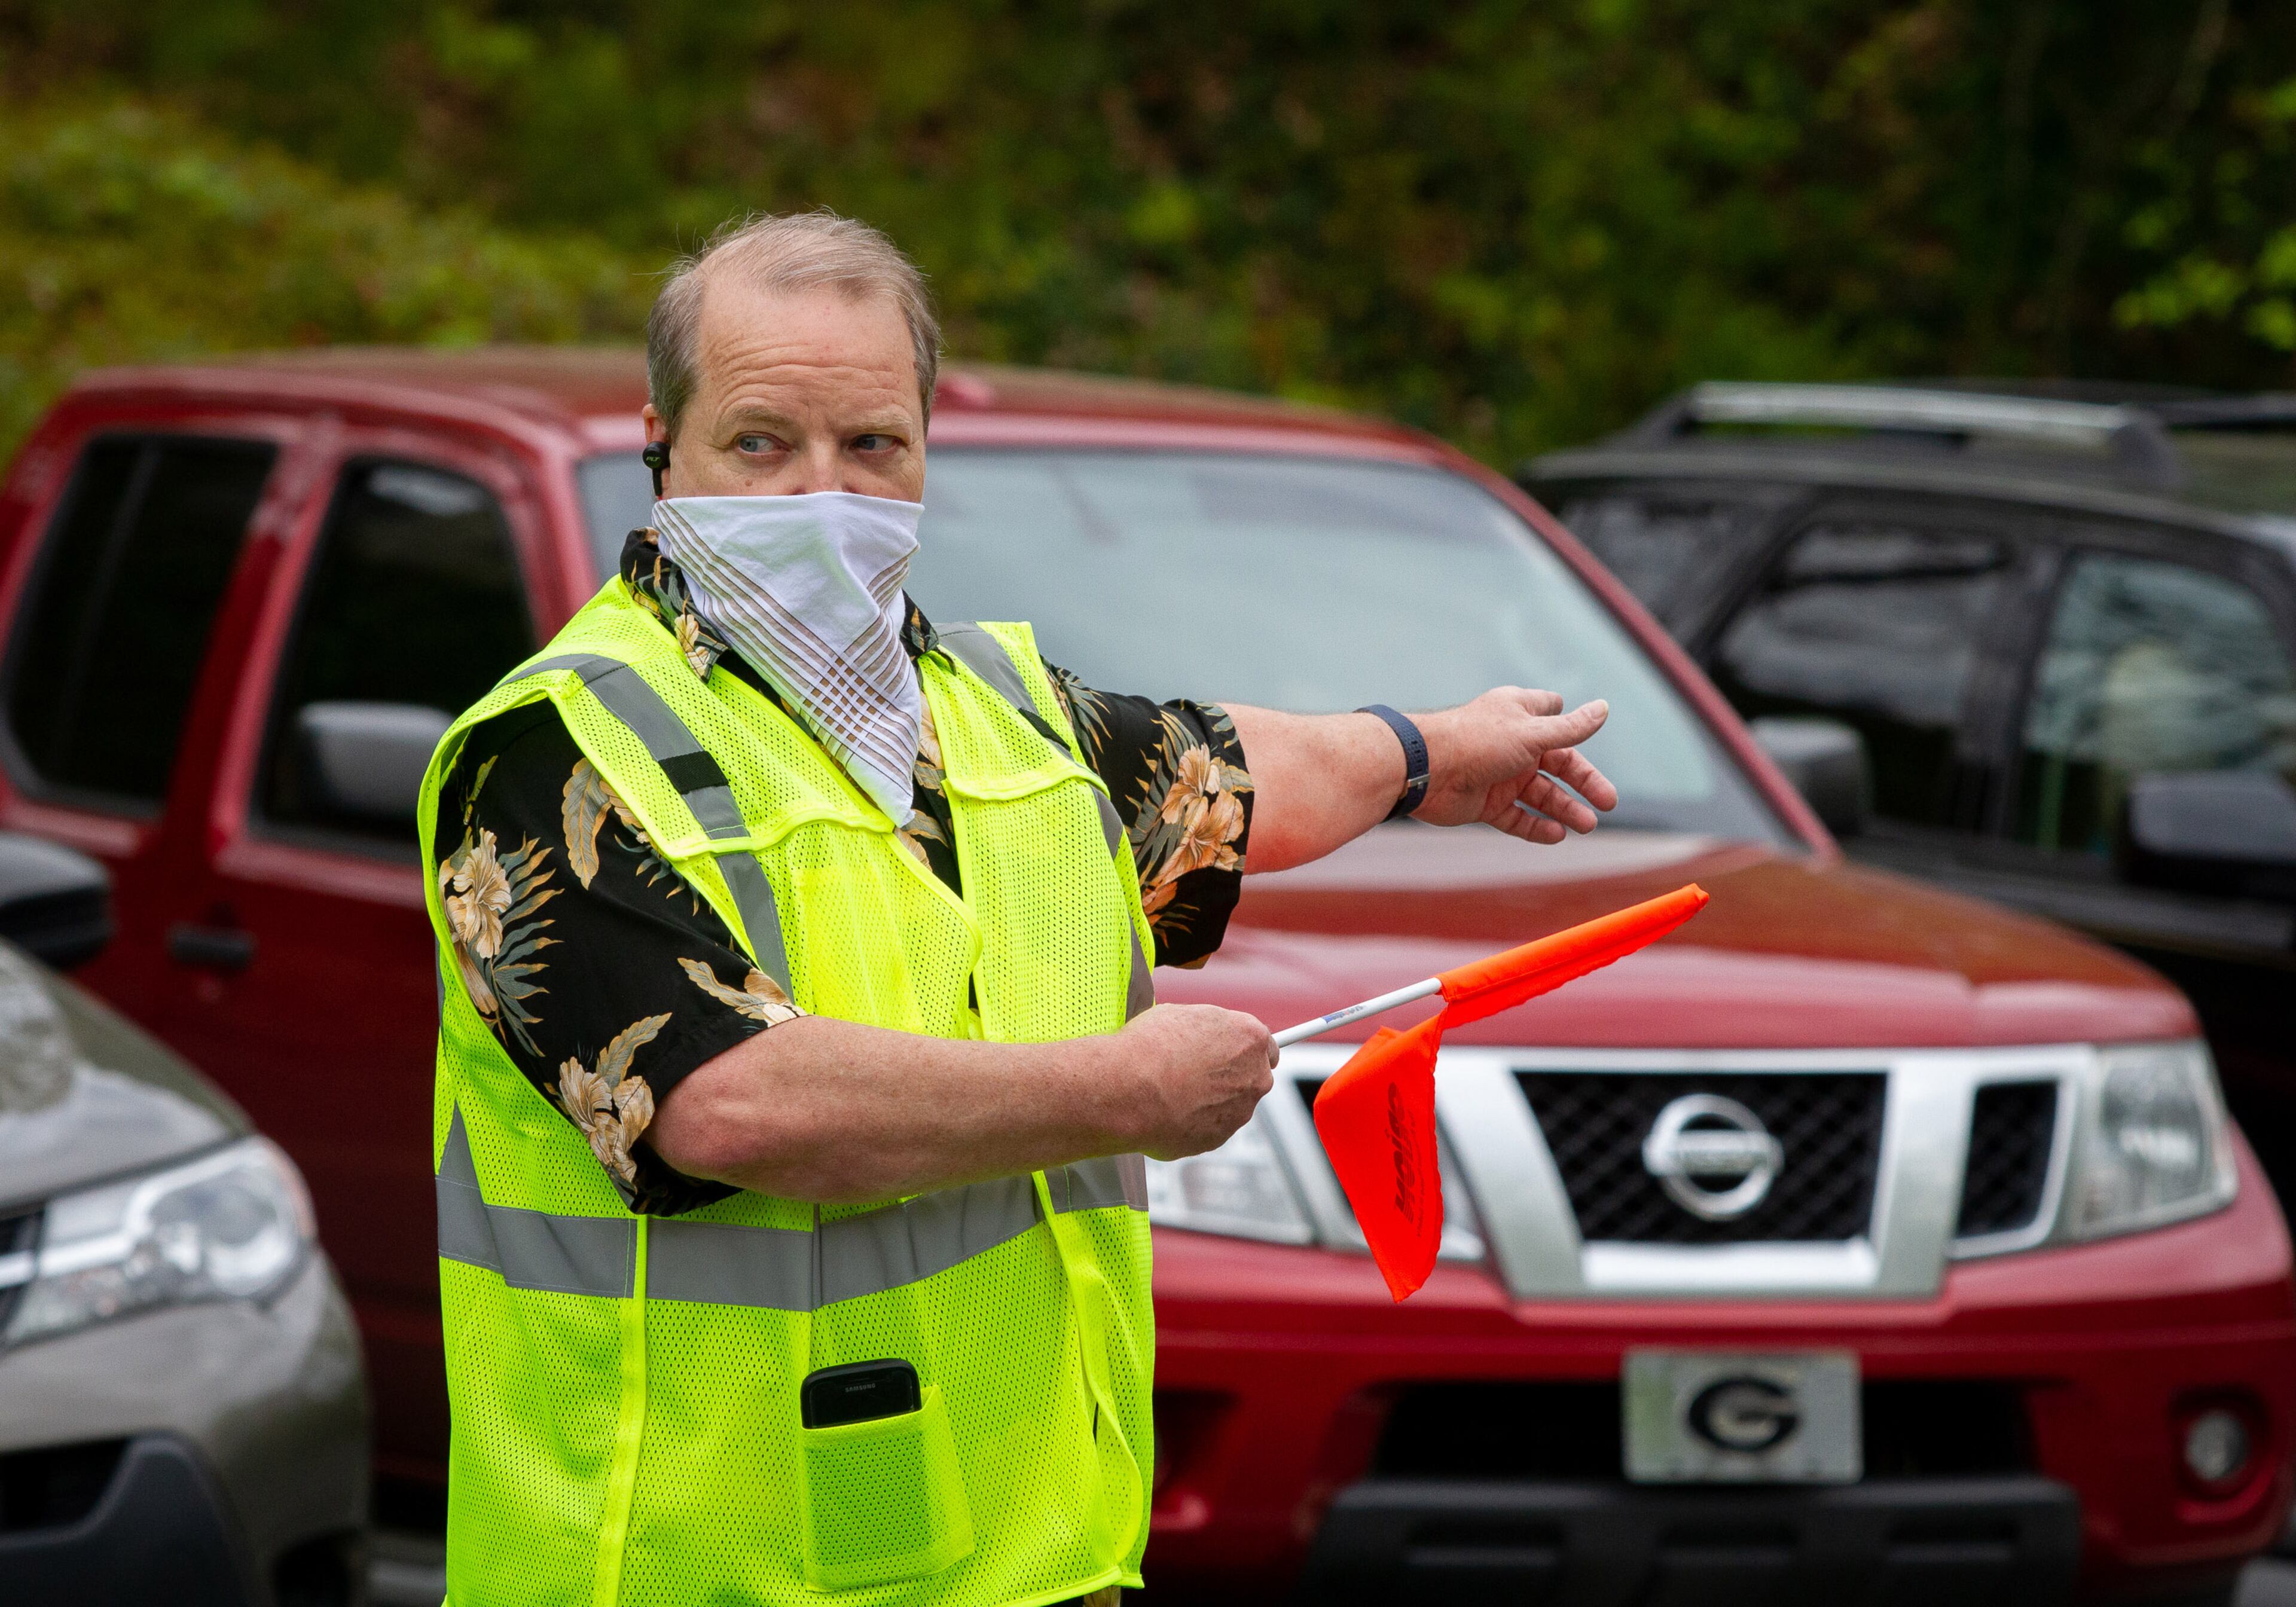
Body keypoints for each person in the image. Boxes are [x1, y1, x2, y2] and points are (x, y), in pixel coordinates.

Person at [417, 209, 1616, 1607]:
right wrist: (1123, 1093)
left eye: (872, 446)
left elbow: (1215, 774)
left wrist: (1428, 755)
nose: (822, 492)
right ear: (660, 445)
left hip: (1021, 1561)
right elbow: (727, 1106)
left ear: (927, 453)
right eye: (761, 443)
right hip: (695, 1569)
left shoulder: (988, 708)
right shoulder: (555, 750)